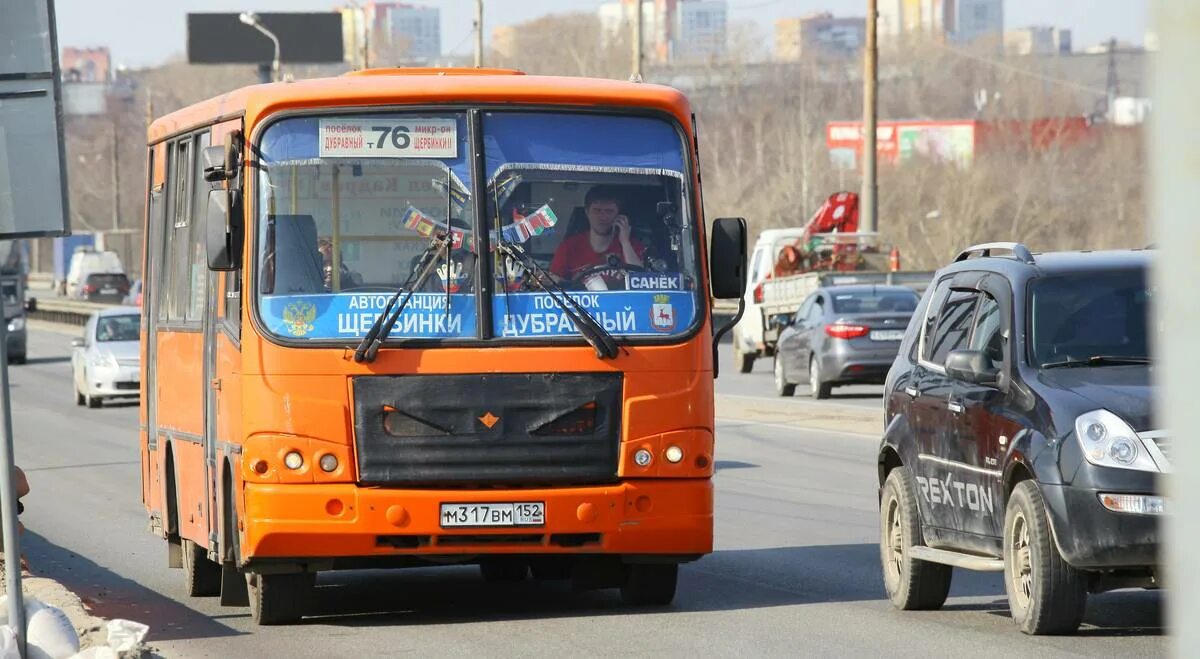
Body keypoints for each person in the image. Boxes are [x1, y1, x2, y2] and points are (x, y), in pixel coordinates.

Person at [549, 185, 645, 289]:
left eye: (609, 211)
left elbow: (641, 282)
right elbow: (553, 282)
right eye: (597, 211)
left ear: (618, 214)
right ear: (587, 212)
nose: (603, 217)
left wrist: (625, 242)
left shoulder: (633, 247)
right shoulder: (569, 247)